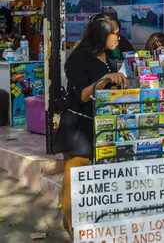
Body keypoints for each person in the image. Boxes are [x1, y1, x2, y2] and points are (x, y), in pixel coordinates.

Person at [54, 13, 127, 235]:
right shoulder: (77, 60)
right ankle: (74, 229)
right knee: (75, 178)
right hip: (78, 125)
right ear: (101, 34)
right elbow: (83, 94)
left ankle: (92, 226)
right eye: (115, 33)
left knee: (93, 182)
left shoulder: (110, 58)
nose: (119, 37)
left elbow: (109, 91)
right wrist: (105, 80)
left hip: (102, 124)